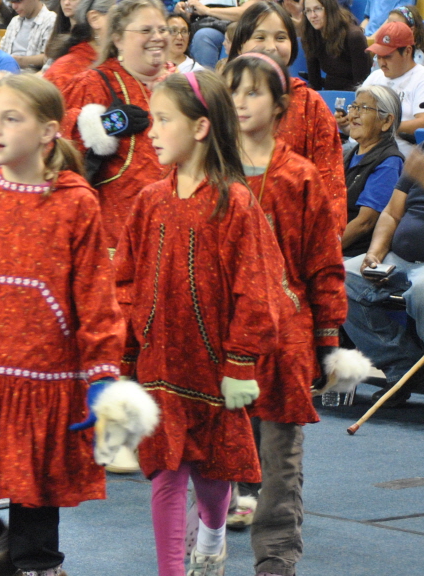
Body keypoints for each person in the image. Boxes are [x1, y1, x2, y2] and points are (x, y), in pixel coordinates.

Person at [0, 73, 123, 576]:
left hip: (46, 376)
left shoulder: (76, 202)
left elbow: (95, 297)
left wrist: (102, 375)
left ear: (48, 132)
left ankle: (39, 567)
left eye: (12, 119)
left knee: (34, 494)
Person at [115, 69, 280, 576]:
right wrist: (126, 354)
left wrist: (241, 362)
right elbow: (125, 281)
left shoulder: (236, 203)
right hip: (159, 369)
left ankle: (211, 533)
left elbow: (257, 289)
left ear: (201, 127)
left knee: (212, 472)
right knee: (166, 473)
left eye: (164, 120)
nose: (152, 132)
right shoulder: (149, 200)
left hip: (214, 372)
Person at [224, 53, 346, 576]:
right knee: (217, 450)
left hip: (285, 337)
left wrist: (327, 339)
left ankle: (275, 557)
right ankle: (205, 547)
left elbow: (324, 261)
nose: (241, 102)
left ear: (279, 106)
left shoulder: (300, 176)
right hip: (222, 334)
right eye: (233, 92)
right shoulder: (208, 172)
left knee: (279, 457)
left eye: (253, 92)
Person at [342, 78, 424, 414]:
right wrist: (375, 252)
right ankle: (403, 366)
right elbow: (392, 213)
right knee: (337, 278)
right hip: (401, 258)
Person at [60, 0, 168, 249]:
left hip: (169, 230)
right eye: (146, 30)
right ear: (117, 38)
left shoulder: (178, 87)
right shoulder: (92, 83)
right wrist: (107, 125)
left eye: (163, 30)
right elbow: (57, 148)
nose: (157, 37)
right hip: (113, 236)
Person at [230, 1, 348, 217]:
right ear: (240, 46)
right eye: (260, 37)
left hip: (295, 227)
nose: (271, 47)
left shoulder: (310, 104)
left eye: (281, 38)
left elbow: (331, 183)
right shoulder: (218, 100)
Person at [343, 84, 405, 256]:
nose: (354, 115)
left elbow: (365, 223)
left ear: (386, 121)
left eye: (363, 108)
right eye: (353, 107)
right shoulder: (348, 154)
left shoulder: (389, 162)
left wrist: (322, 252)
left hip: (354, 253)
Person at [362, 20, 424, 148]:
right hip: (360, 145)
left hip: (397, 149)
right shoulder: (375, 76)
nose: (381, 63)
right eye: (378, 56)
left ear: (407, 51)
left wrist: (383, 126)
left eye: (387, 56)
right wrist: (345, 124)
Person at [44, 0, 125, 89]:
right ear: (94, 19)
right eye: (122, 14)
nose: (132, 22)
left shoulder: (134, 62)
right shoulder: (65, 72)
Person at [302, 0, 373, 91]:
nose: (312, 15)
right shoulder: (311, 35)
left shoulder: (354, 36)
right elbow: (314, 83)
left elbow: (362, 84)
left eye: (317, 9)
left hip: (354, 94)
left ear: (329, 8)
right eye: (308, 11)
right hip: (330, 91)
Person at [1, 0, 58, 72]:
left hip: (32, 77)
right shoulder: (15, 21)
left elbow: (50, 58)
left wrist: (20, 61)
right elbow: (3, 50)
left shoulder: (51, 20)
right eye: (12, 2)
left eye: (18, 0)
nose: (14, 6)